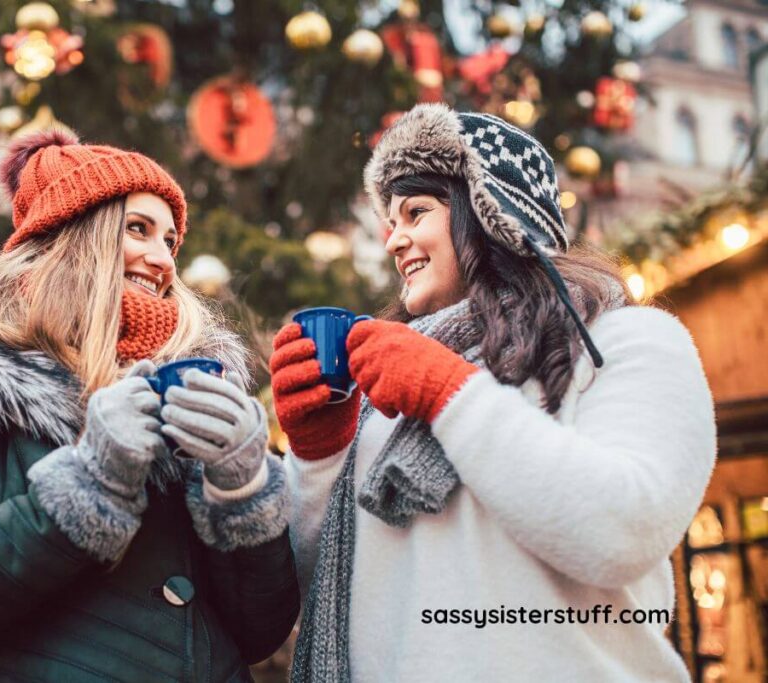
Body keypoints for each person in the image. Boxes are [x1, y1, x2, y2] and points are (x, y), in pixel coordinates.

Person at [270, 103, 716, 682]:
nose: (394, 241)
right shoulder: (389, 393)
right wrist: (319, 456)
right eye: (391, 222)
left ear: (490, 214)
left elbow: (623, 529)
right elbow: (329, 588)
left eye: (416, 213)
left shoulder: (627, 342)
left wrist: (450, 393)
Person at [0, 130, 299, 682]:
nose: (163, 260)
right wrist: (89, 483)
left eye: (170, 240)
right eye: (138, 229)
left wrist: (241, 487)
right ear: (74, 237)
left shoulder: (202, 388)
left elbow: (259, 632)